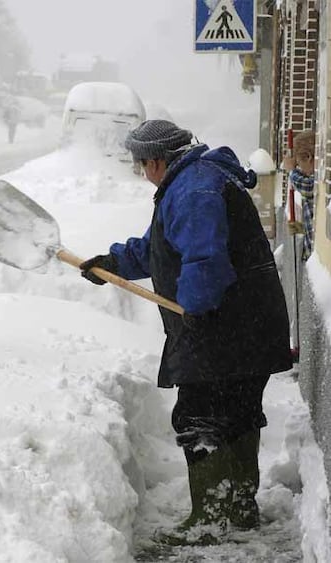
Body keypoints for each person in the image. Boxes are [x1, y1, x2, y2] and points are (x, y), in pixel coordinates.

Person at [80, 120, 293, 544]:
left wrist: (195, 310)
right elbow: (161, 247)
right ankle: (238, 508)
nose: (144, 173)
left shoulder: (195, 189)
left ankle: (210, 521)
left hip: (223, 326)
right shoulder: (195, 180)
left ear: (157, 160)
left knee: (201, 418)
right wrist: (113, 263)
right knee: (236, 412)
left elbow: (204, 259)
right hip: (245, 325)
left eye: (144, 164)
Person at [283, 130, 315, 261]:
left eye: (298, 165)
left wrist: (291, 171)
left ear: (308, 157)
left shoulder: (317, 181)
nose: (299, 170)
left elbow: (307, 187)